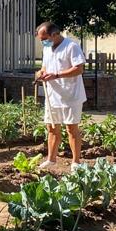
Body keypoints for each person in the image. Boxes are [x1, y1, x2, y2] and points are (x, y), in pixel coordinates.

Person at [34, 22, 86, 170]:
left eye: (45, 38)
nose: (43, 41)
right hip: (52, 95)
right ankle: (51, 159)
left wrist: (56, 75)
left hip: (71, 95)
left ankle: (76, 162)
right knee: (51, 128)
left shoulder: (71, 46)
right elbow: (45, 67)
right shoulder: (47, 49)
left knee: (71, 129)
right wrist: (41, 73)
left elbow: (79, 69)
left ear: (55, 34)